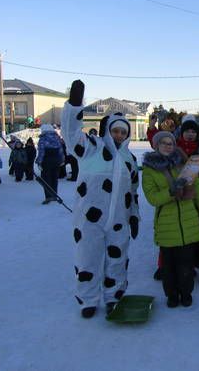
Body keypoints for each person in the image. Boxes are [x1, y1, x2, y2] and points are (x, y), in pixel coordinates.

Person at [61, 80, 141, 319]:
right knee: (88, 259)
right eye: (115, 131)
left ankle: (114, 296)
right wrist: (74, 107)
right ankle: (88, 300)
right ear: (108, 130)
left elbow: (133, 192)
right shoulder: (92, 148)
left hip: (118, 220)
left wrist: (134, 216)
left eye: (123, 132)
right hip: (89, 219)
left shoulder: (130, 160)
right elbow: (70, 134)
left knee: (117, 261)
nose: (119, 135)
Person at [142, 131, 199, 308]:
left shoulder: (184, 164)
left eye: (171, 143)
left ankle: (186, 293)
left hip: (189, 222)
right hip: (167, 225)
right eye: (164, 143)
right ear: (156, 145)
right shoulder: (149, 169)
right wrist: (171, 192)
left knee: (186, 265)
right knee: (169, 267)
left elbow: (197, 190)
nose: (168, 146)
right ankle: (172, 295)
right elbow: (152, 198)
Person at [37, 124, 65, 204]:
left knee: (46, 179)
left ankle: (48, 196)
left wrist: (39, 161)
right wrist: (62, 160)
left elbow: (41, 152)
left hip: (46, 161)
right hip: (56, 160)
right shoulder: (57, 138)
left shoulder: (43, 139)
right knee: (54, 178)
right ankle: (54, 195)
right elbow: (61, 150)